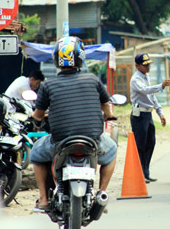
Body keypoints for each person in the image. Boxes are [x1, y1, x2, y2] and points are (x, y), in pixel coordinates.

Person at [30, 36, 117, 211]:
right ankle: (101, 193)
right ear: (80, 57)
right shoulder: (93, 80)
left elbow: (38, 115)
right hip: (92, 140)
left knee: (35, 155)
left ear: (56, 59)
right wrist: (108, 116)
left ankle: (44, 199)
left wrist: (36, 119)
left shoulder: (48, 85)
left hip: (60, 142)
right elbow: (106, 105)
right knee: (112, 150)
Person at [130, 52, 170, 183]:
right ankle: (140, 174)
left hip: (148, 114)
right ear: (137, 65)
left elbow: (152, 97)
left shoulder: (146, 77)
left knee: (150, 143)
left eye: (149, 64)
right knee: (140, 145)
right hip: (139, 115)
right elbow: (146, 90)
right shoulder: (135, 79)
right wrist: (161, 86)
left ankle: (145, 172)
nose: (148, 67)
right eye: (145, 64)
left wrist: (160, 113)